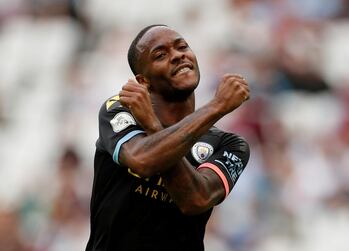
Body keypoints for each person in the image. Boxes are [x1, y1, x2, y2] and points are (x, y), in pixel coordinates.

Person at [86, 24, 251, 251]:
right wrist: (217, 107)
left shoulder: (230, 145)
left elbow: (196, 200)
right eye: (160, 55)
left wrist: (154, 127)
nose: (177, 56)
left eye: (182, 46)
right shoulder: (122, 110)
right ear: (143, 81)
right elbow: (141, 160)